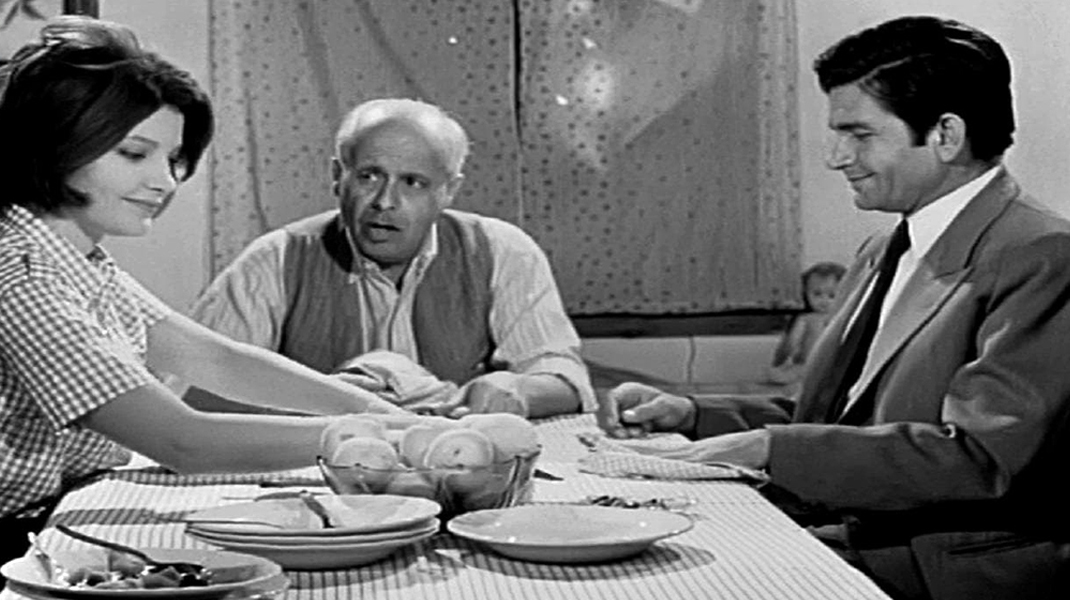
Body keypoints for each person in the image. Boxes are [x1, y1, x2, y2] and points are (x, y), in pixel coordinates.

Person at [597, 16, 1070, 600]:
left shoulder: (1043, 255)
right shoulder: (883, 248)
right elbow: (835, 416)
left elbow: (980, 458)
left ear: (946, 135)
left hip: (944, 568)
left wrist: (771, 450)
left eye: (858, 134)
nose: (834, 157)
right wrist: (693, 413)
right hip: (852, 534)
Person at [0, 16, 405, 571]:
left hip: (58, 514)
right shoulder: (22, 273)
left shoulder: (75, 258)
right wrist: (382, 433)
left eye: (171, 159)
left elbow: (218, 360)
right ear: (57, 145)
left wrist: (379, 411)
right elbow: (183, 441)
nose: (165, 182)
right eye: (134, 154)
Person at [185, 98, 596, 419]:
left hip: (457, 463)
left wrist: (520, 391)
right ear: (337, 177)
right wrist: (320, 399)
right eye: (369, 176)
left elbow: (563, 377)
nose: (385, 202)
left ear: (448, 191)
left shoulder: (502, 251)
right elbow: (193, 391)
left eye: (413, 183)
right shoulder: (274, 260)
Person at [766, 261, 846, 386]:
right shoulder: (806, 319)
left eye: (832, 296)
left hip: (831, 366)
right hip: (807, 365)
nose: (824, 300)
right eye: (817, 294)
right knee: (779, 375)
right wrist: (782, 360)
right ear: (805, 293)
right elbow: (791, 342)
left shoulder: (843, 318)